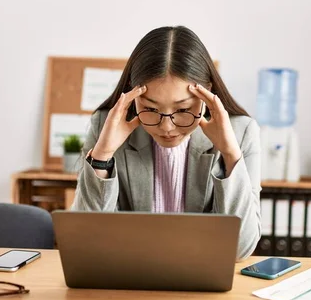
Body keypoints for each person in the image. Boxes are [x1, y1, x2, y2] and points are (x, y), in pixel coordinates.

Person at [72, 26, 261, 260]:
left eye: (182, 109)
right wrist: (103, 155)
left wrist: (231, 155)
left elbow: (240, 249)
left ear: (207, 93)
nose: (166, 127)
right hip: (128, 282)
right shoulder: (106, 125)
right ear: (133, 95)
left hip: (203, 287)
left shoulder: (242, 132)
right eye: (150, 109)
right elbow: (87, 241)